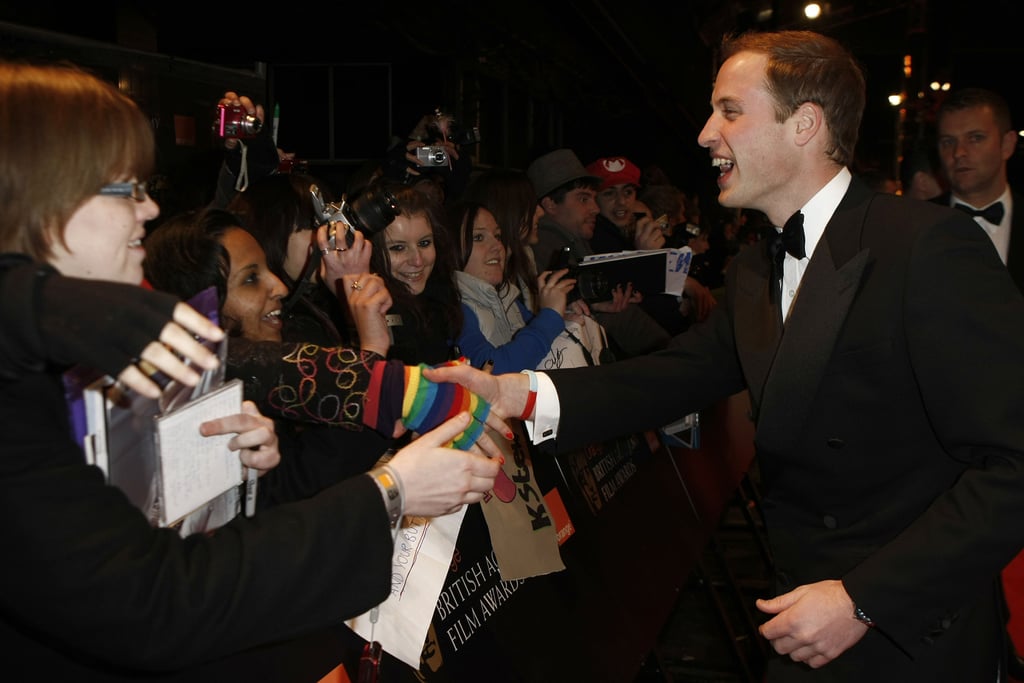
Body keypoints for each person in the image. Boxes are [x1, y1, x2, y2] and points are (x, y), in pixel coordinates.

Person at [427, 30, 1024, 682]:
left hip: (913, 639)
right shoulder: (751, 269)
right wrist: (520, 393)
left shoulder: (926, 248)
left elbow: (1012, 468)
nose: (707, 132)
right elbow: (673, 375)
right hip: (802, 621)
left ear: (804, 125)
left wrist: (865, 599)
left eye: (730, 110)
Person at [0, 60, 503, 681]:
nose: (148, 208)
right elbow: (156, 605)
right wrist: (389, 495)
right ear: (43, 200)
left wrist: (234, 481)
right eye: (122, 187)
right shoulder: (27, 386)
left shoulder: (75, 352)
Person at [527, 148, 670, 357]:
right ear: (550, 204)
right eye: (584, 199)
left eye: (594, 198)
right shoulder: (549, 247)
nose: (595, 208)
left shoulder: (574, 240)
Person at [935, 87, 1024, 292]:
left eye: (975, 138)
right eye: (948, 142)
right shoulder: (912, 225)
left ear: (1007, 145)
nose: (959, 152)